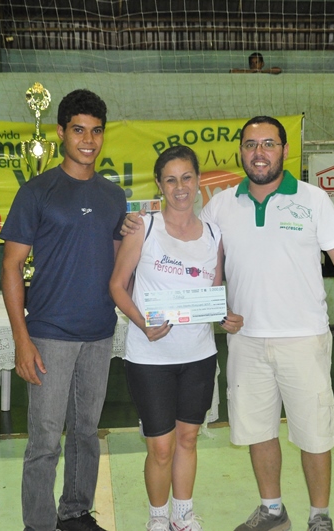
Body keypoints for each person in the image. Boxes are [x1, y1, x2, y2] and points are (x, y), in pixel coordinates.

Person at [124, 116, 334, 531]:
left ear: (284, 150)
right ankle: (272, 510)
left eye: (268, 143)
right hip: (246, 341)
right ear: (241, 153)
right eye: (251, 145)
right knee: (258, 431)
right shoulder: (220, 206)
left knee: (314, 435)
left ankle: (319, 516)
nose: (259, 152)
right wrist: (133, 220)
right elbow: (184, 233)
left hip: (303, 338)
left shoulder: (313, 199)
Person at [0, 89, 126, 531]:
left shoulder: (114, 196)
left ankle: (75, 513)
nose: (88, 140)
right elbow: (11, 267)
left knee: (86, 433)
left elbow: (120, 268)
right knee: (45, 441)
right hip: (49, 334)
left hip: (100, 332)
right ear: (60, 133)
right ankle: (38, 524)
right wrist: (22, 339)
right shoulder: (37, 192)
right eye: (78, 130)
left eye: (96, 131)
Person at [110, 145, 244, 531]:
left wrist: (225, 316)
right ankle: (157, 518)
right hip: (149, 357)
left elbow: (212, 292)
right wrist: (142, 324)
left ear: (198, 181)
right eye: (171, 180)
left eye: (186, 178)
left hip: (198, 356)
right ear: (159, 184)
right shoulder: (143, 227)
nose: (180, 187)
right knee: (160, 446)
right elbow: (117, 285)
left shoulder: (214, 235)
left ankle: (182, 515)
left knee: (188, 439)